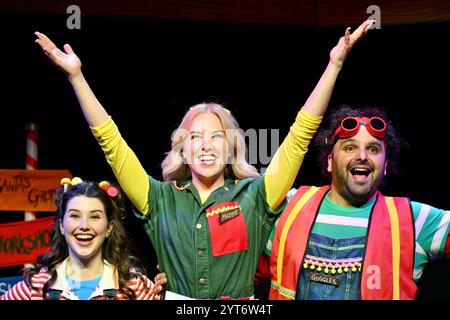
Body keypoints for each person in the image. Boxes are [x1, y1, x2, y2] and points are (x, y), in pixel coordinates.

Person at [34, 19, 375, 299]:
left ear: (231, 149)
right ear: (183, 149)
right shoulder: (158, 199)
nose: (207, 146)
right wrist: (76, 77)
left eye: (217, 137)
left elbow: (299, 136)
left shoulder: (256, 195)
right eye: (196, 137)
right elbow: (112, 142)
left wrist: (335, 64)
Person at [260, 104, 450, 300]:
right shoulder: (288, 206)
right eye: (350, 147)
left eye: (373, 149)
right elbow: (237, 270)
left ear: (384, 166)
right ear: (330, 162)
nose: (362, 156)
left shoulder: (413, 220)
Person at [1, 177, 160, 300]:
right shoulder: (36, 287)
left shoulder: (135, 286)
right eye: (75, 216)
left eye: (95, 217)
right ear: (62, 226)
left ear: (109, 228)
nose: (84, 225)